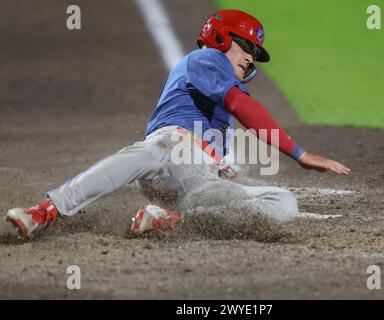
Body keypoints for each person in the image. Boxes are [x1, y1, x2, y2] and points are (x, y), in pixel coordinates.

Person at [5, 9, 351, 241]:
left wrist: (222, 167)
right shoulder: (205, 59)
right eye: (246, 46)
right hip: (169, 152)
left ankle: (167, 220)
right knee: (149, 151)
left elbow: (226, 123)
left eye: (254, 53)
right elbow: (242, 105)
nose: (250, 57)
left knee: (283, 204)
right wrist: (299, 154)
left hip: (193, 183)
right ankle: (46, 210)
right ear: (219, 38)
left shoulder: (217, 103)